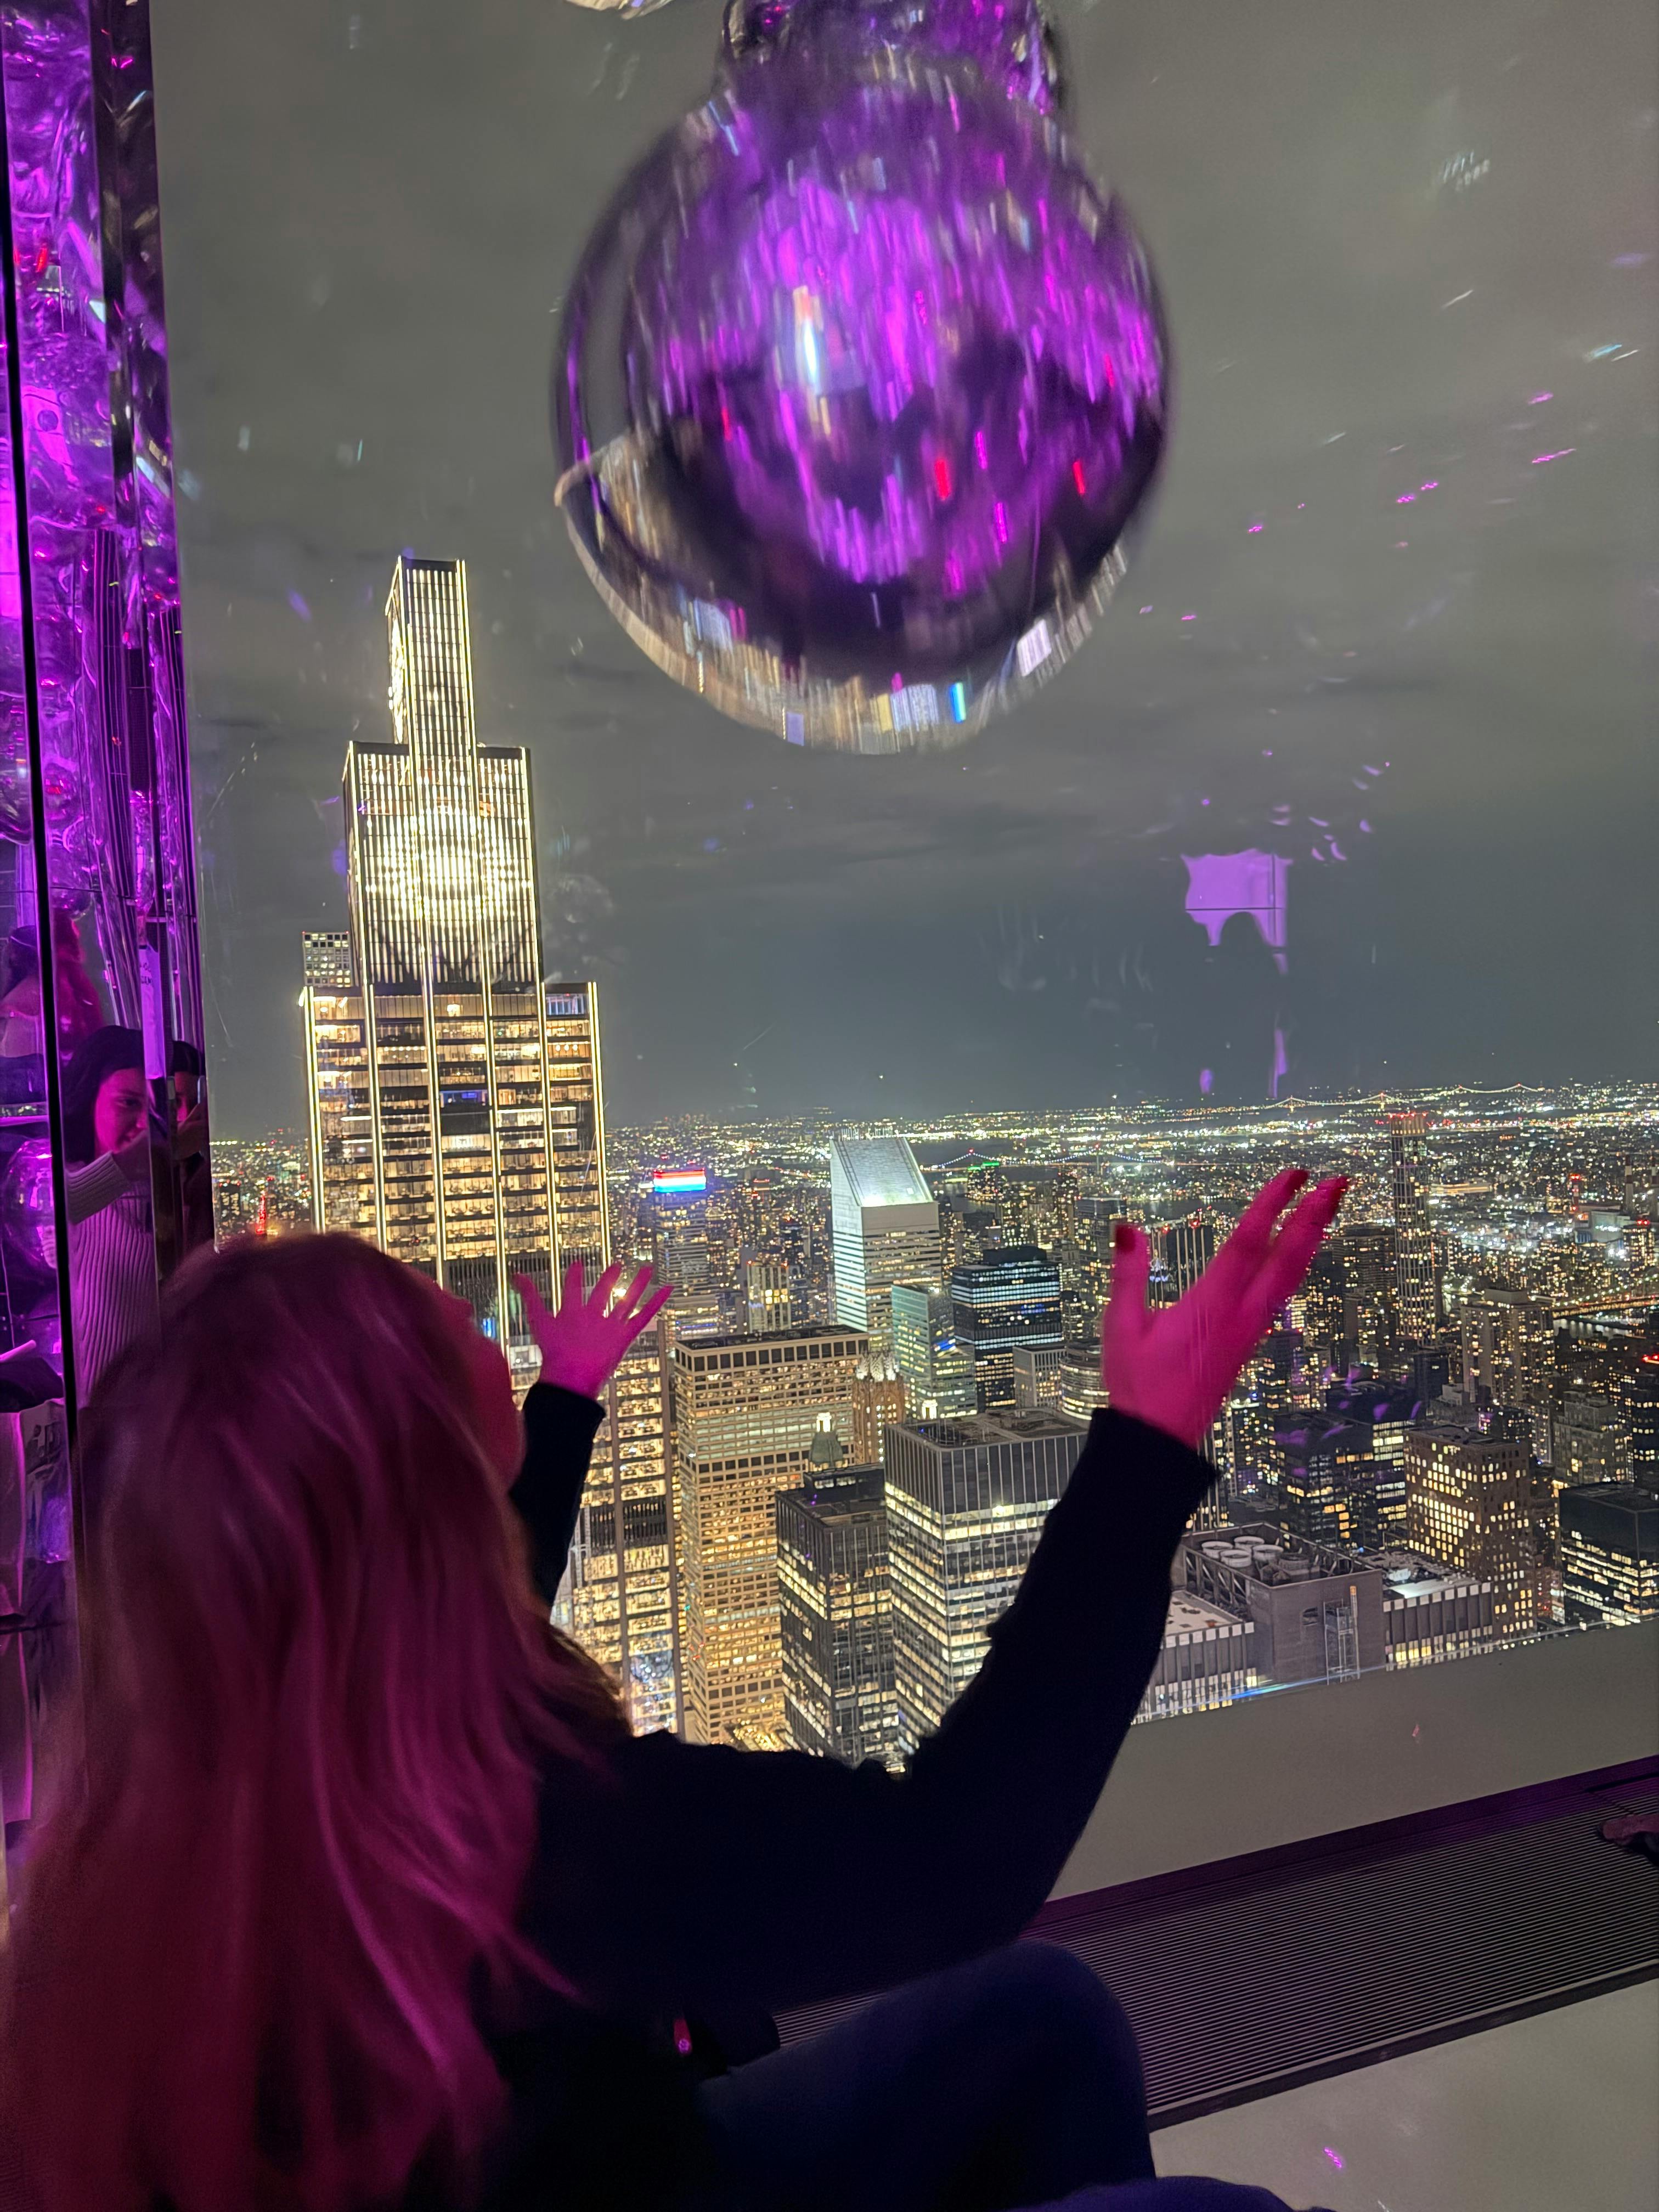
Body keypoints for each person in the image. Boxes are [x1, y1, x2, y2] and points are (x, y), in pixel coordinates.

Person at [0, 1170, 1346, 2212]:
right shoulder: (523, 1845)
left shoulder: (209, 1816)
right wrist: (1148, 1446)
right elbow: (955, 1858)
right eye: (440, 1322)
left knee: (1045, 2020)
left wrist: (568, 1399)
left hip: (621, 2168)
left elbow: (436, 1608)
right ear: (417, 1481)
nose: (470, 1318)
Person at [59, 1025, 160, 1403]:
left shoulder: (171, 1193)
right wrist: (133, 1162)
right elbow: (56, 1211)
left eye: (155, 1110)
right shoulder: (66, 1181)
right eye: (129, 1103)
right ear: (90, 1101)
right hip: (91, 1418)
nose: (144, 1123)